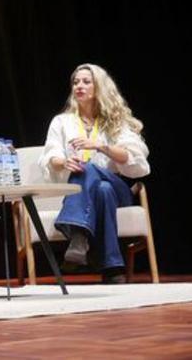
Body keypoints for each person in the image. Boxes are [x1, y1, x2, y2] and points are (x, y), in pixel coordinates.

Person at [40, 63, 150, 284]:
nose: (79, 86)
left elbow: (136, 158)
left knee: (94, 172)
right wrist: (64, 161)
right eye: (75, 82)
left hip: (120, 189)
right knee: (102, 189)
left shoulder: (115, 122)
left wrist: (100, 146)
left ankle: (78, 235)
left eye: (86, 82)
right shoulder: (61, 121)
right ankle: (112, 267)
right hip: (95, 193)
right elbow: (50, 156)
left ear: (98, 87)